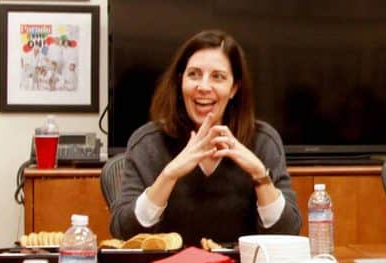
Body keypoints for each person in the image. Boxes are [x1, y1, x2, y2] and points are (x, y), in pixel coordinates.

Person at [110, 30, 301, 245]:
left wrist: (259, 175)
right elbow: (123, 232)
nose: (203, 87)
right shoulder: (148, 143)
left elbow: (289, 233)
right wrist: (169, 174)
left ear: (234, 88)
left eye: (217, 77)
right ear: (181, 82)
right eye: (194, 74)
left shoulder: (263, 141)